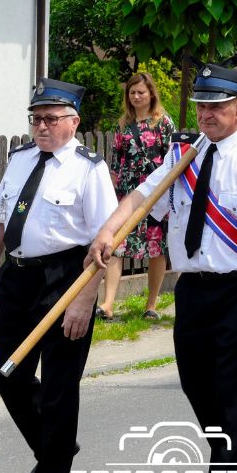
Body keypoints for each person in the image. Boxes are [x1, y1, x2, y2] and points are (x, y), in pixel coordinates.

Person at [89, 63, 237, 473]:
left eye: (217, 106)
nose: (206, 113)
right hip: (194, 290)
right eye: (201, 104)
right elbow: (143, 196)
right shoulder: (183, 155)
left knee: (234, 391)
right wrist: (107, 231)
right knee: (197, 384)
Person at [0, 78, 117, 473]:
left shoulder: (89, 169)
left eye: (51, 119)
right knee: (6, 371)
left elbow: (106, 242)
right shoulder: (20, 160)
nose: (41, 127)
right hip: (17, 278)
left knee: (58, 383)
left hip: (66, 278)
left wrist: (84, 299)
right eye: (36, 119)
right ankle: (56, 446)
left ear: (74, 121)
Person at [96, 72, 175, 320]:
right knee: (117, 246)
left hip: (154, 194)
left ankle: (151, 305)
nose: (137, 96)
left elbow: (172, 161)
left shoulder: (164, 123)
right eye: (132, 92)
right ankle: (108, 304)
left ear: (151, 93)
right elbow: (115, 162)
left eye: (141, 92)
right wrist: (113, 193)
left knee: (156, 248)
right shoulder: (122, 125)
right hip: (127, 194)